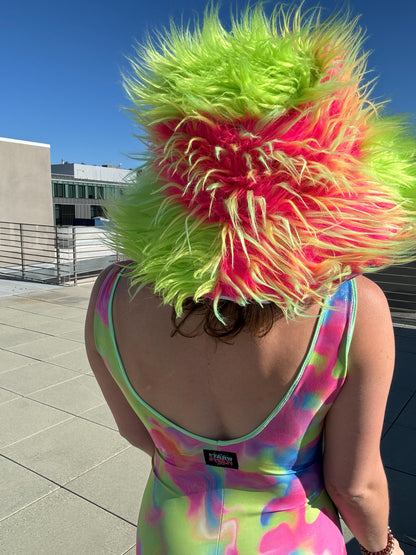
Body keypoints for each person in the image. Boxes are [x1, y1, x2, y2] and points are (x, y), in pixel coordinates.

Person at [85, 5, 415, 554]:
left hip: (172, 532)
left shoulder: (110, 295)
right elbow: (354, 485)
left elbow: (136, 434)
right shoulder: (354, 308)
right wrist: (383, 548)